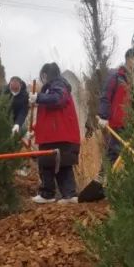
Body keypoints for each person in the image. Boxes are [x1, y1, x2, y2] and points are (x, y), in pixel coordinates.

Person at [27, 62, 81, 204]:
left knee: (61, 164)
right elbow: (48, 117)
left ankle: (66, 194)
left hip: (60, 135)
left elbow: (57, 99)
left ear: (45, 75)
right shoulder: (50, 89)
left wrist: (38, 97)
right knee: (48, 164)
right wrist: (34, 130)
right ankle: (51, 194)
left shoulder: (59, 86)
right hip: (52, 135)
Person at [97, 48, 134, 170]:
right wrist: (103, 116)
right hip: (118, 125)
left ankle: (132, 183)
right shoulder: (116, 77)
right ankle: (102, 180)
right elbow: (105, 96)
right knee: (113, 154)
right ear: (128, 60)